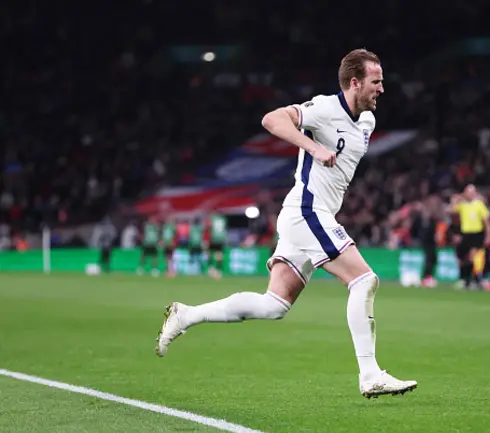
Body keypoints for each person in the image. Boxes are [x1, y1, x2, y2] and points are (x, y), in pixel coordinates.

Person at [155, 49, 417, 398]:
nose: (382, 89)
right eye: (376, 82)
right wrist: (313, 148)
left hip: (306, 215)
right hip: (307, 210)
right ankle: (370, 375)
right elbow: (272, 120)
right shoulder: (324, 109)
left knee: (274, 305)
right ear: (354, 83)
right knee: (364, 280)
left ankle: (185, 315)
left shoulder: (366, 121)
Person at [451, 185, 490, 289]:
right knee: (462, 258)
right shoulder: (463, 205)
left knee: (472, 257)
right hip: (465, 234)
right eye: (468, 192)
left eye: (472, 192)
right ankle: (464, 279)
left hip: (477, 233)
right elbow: (453, 211)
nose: (470, 194)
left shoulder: (479, 205)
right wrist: (457, 199)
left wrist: (488, 235)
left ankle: (474, 280)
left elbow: (486, 222)